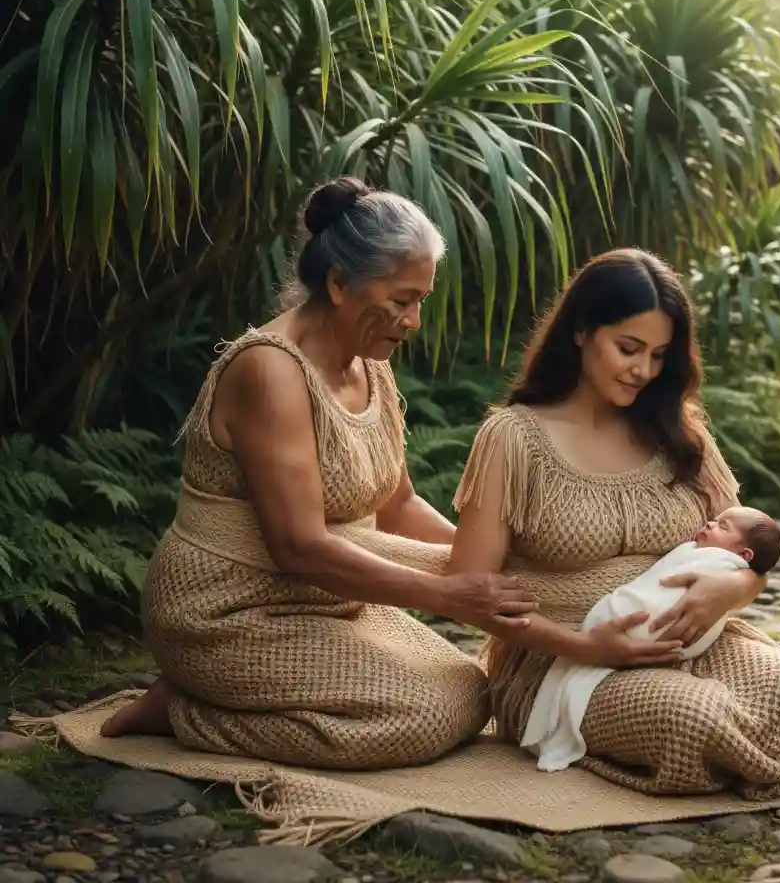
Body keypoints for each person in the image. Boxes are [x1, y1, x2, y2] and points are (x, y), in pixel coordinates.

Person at [99, 176, 538, 770]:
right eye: (403, 299)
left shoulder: (368, 361)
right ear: (338, 283)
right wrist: (446, 595)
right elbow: (298, 546)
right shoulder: (270, 372)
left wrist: (485, 557)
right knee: (423, 717)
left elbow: (397, 503)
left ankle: (225, 698)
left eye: (421, 302)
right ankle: (183, 708)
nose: (412, 320)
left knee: (470, 690)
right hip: (228, 610)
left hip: (325, 599)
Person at [448, 248, 780, 797]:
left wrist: (733, 587)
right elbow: (467, 590)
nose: (644, 370)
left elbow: (751, 549)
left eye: (659, 355)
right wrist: (587, 647)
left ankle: (752, 756)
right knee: (695, 723)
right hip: (564, 662)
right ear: (581, 331)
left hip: (697, 639)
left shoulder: (679, 432)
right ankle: (746, 759)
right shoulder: (514, 439)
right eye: (628, 349)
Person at [521, 506, 780, 772]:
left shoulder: (700, 470)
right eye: (715, 521)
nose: (710, 523)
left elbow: (757, 567)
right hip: (559, 644)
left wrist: (734, 583)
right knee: (697, 718)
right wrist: (584, 646)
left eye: (721, 525)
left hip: (690, 639)